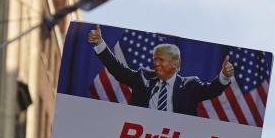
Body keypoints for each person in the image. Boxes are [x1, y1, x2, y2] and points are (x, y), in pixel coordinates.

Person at [87, 25, 234, 116]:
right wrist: (100, 44)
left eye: (161, 60)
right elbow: (117, 69)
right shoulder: (142, 77)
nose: (156, 64)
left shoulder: (190, 86)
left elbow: (212, 90)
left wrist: (224, 76)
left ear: (175, 64)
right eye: (155, 59)